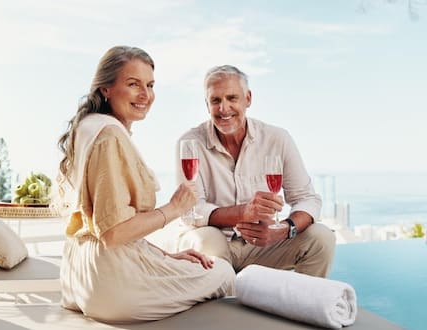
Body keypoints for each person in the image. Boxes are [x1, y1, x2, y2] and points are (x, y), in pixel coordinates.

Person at [56, 46, 234, 323]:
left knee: (199, 263)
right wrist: (174, 209)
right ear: (106, 89)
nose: (145, 95)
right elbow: (113, 233)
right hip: (112, 283)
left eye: (149, 85)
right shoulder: (110, 136)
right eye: (133, 84)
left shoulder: (88, 126)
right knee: (223, 272)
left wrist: (168, 256)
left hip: (78, 275)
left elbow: (102, 224)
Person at [174, 65, 335, 278]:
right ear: (207, 104)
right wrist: (243, 213)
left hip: (264, 245)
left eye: (232, 98)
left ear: (248, 99)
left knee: (321, 238)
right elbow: (190, 210)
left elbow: (307, 199)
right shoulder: (190, 143)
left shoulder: (277, 138)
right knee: (208, 240)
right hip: (214, 241)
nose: (224, 108)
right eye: (215, 101)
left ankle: (301, 303)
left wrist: (285, 229)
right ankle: (221, 299)